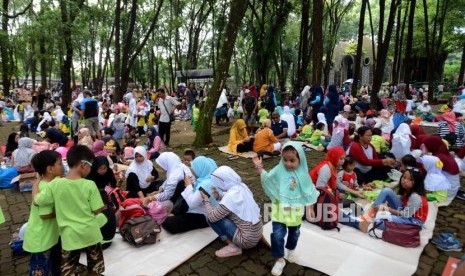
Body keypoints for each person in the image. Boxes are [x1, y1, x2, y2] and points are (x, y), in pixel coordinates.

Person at [32, 145, 107, 275]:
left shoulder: (56, 184)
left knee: (68, 269)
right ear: (83, 165)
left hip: (69, 236)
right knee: (96, 267)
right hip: (90, 233)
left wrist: (35, 184)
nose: (91, 169)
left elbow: (37, 201)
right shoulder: (89, 185)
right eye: (91, 165)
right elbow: (97, 211)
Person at [252, 141, 319, 276]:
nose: (288, 163)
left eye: (292, 160)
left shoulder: (304, 175)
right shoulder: (279, 169)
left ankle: (291, 249)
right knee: (277, 235)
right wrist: (259, 166)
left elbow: (309, 193)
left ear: (300, 159)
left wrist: (310, 208)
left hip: (295, 212)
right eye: (285, 160)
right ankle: (279, 259)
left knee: (294, 233)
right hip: (280, 209)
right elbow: (268, 178)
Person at [200, 166, 263, 257]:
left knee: (211, 218)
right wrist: (219, 197)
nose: (217, 184)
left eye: (217, 182)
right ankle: (238, 239)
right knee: (224, 213)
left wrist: (206, 200)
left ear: (222, 181)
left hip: (246, 241)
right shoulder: (241, 186)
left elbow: (212, 217)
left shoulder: (230, 197)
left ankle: (233, 246)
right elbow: (235, 201)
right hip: (257, 233)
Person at [24, 150, 63, 276]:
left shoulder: (45, 182)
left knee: (52, 264)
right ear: (50, 169)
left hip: (48, 236)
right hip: (42, 239)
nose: (63, 167)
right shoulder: (47, 187)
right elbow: (44, 214)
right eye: (60, 164)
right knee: (40, 269)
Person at [162, 156, 218, 234]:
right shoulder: (207, 179)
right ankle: (174, 212)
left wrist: (188, 185)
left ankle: (174, 214)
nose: (191, 169)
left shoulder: (206, 185)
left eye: (194, 168)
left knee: (168, 223)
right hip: (199, 205)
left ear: (201, 169)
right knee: (182, 184)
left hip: (205, 215)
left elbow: (192, 204)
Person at [423, 136, 460, 204]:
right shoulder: (444, 153)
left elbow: (428, 171)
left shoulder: (439, 158)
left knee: (420, 197)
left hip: (444, 194)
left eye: (427, 146)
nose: (426, 148)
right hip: (452, 189)